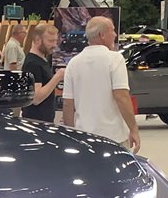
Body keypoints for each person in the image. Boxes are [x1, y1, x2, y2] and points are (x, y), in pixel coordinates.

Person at [62, 16, 141, 152]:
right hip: (113, 137)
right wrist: (133, 129)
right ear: (102, 35)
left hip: (84, 137)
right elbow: (121, 97)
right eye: (113, 31)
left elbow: (68, 103)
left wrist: (72, 134)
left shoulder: (73, 63)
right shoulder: (115, 59)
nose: (115, 35)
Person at [21, 24, 64, 123]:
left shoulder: (42, 60)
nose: (54, 45)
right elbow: (36, 98)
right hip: (36, 122)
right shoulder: (32, 64)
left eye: (55, 41)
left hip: (44, 120)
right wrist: (57, 77)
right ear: (37, 40)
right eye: (50, 41)